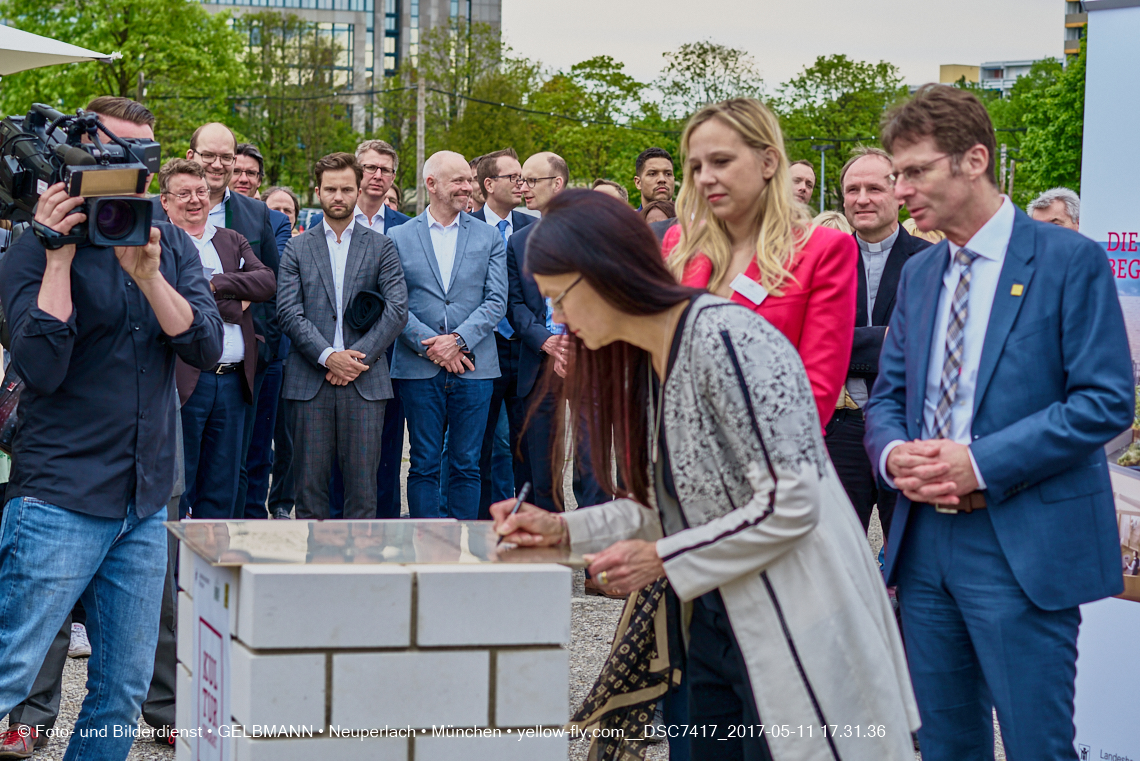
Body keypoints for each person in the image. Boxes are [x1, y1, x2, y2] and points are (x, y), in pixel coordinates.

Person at [493, 189, 919, 761]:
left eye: (561, 299)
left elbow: (792, 504)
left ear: (606, 274)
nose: (559, 321)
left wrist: (665, 557)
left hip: (794, 616)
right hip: (709, 614)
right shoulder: (643, 358)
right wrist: (564, 532)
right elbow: (671, 504)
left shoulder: (729, 340)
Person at [864, 84, 1134, 761]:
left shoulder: (1070, 259)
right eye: (896, 174)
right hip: (924, 547)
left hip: (1022, 543)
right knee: (947, 745)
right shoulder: (922, 274)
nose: (900, 190)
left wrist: (978, 462)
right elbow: (888, 395)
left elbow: (1105, 400)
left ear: (974, 159)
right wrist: (894, 453)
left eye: (916, 170)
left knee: (1037, 746)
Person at [0, 99, 223, 761]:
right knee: (8, 672)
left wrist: (150, 279)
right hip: (58, 498)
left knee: (121, 689)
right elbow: (41, 364)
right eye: (114, 156)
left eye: (143, 158)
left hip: (144, 499)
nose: (133, 173)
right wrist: (60, 259)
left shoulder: (170, 242)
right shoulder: (27, 246)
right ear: (75, 163)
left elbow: (205, 346)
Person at [663, 99, 857, 429]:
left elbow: (814, 396)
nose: (705, 178)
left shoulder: (824, 251)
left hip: (771, 467)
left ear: (768, 162)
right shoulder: (681, 245)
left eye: (721, 161)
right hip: (675, 464)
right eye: (696, 167)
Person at [162, 123, 291, 519]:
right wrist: (236, 302)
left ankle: (211, 576)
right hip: (182, 377)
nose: (195, 198)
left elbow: (269, 280)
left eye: (225, 158)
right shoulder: (155, 231)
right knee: (177, 485)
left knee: (225, 483)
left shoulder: (240, 228)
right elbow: (163, 296)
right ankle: (172, 576)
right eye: (185, 193)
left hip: (235, 377)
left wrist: (211, 284)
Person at [277, 152, 409, 519]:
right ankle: (317, 574)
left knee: (364, 493)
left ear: (358, 190)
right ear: (317, 191)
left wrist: (354, 359)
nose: (339, 196)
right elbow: (288, 311)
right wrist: (327, 356)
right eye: (331, 189)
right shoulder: (297, 247)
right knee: (309, 493)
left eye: (346, 189)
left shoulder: (382, 246)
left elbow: (397, 310)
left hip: (365, 383)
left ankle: (360, 576)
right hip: (309, 381)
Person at [389, 151, 506, 520]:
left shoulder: (489, 237)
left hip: (475, 367)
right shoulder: (398, 236)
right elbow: (396, 304)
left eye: (468, 181)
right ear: (431, 184)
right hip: (417, 368)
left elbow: (496, 300)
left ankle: (462, 560)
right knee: (423, 464)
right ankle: (425, 551)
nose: (467, 187)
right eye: (458, 180)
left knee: (467, 464)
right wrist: (433, 348)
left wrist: (457, 341)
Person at [828, 147, 930, 535]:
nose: (862, 199)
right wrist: (885, 339)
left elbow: (921, 344)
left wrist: (845, 344)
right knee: (836, 558)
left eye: (874, 188)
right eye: (852, 189)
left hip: (908, 429)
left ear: (900, 195)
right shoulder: (822, 262)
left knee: (910, 554)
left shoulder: (930, 261)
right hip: (840, 429)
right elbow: (810, 342)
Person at [507, 152, 609, 517]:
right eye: (520, 180)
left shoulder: (594, 234)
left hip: (586, 360)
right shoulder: (518, 242)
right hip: (539, 362)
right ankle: (550, 554)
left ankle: (597, 560)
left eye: (531, 181)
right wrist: (544, 339)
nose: (522, 189)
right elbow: (515, 304)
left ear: (557, 184)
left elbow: (606, 295)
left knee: (591, 462)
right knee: (542, 465)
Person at [471, 148, 536, 515]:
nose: (521, 183)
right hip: (483, 348)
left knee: (526, 448)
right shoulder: (469, 228)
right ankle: (480, 528)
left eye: (523, 177)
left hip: (526, 350)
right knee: (477, 448)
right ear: (489, 184)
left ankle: (526, 524)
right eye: (513, 177)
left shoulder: (533, 226)